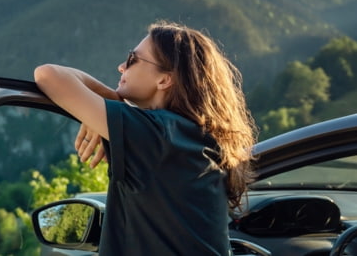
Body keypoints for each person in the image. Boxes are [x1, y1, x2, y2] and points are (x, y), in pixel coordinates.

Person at [34, 21, 258, 255]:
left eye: (133, 59)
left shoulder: (158, 135)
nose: (122, 67)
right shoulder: (192, 137)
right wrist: (111, 109)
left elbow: (48, 75)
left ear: (164, 80)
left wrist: (111, 103)